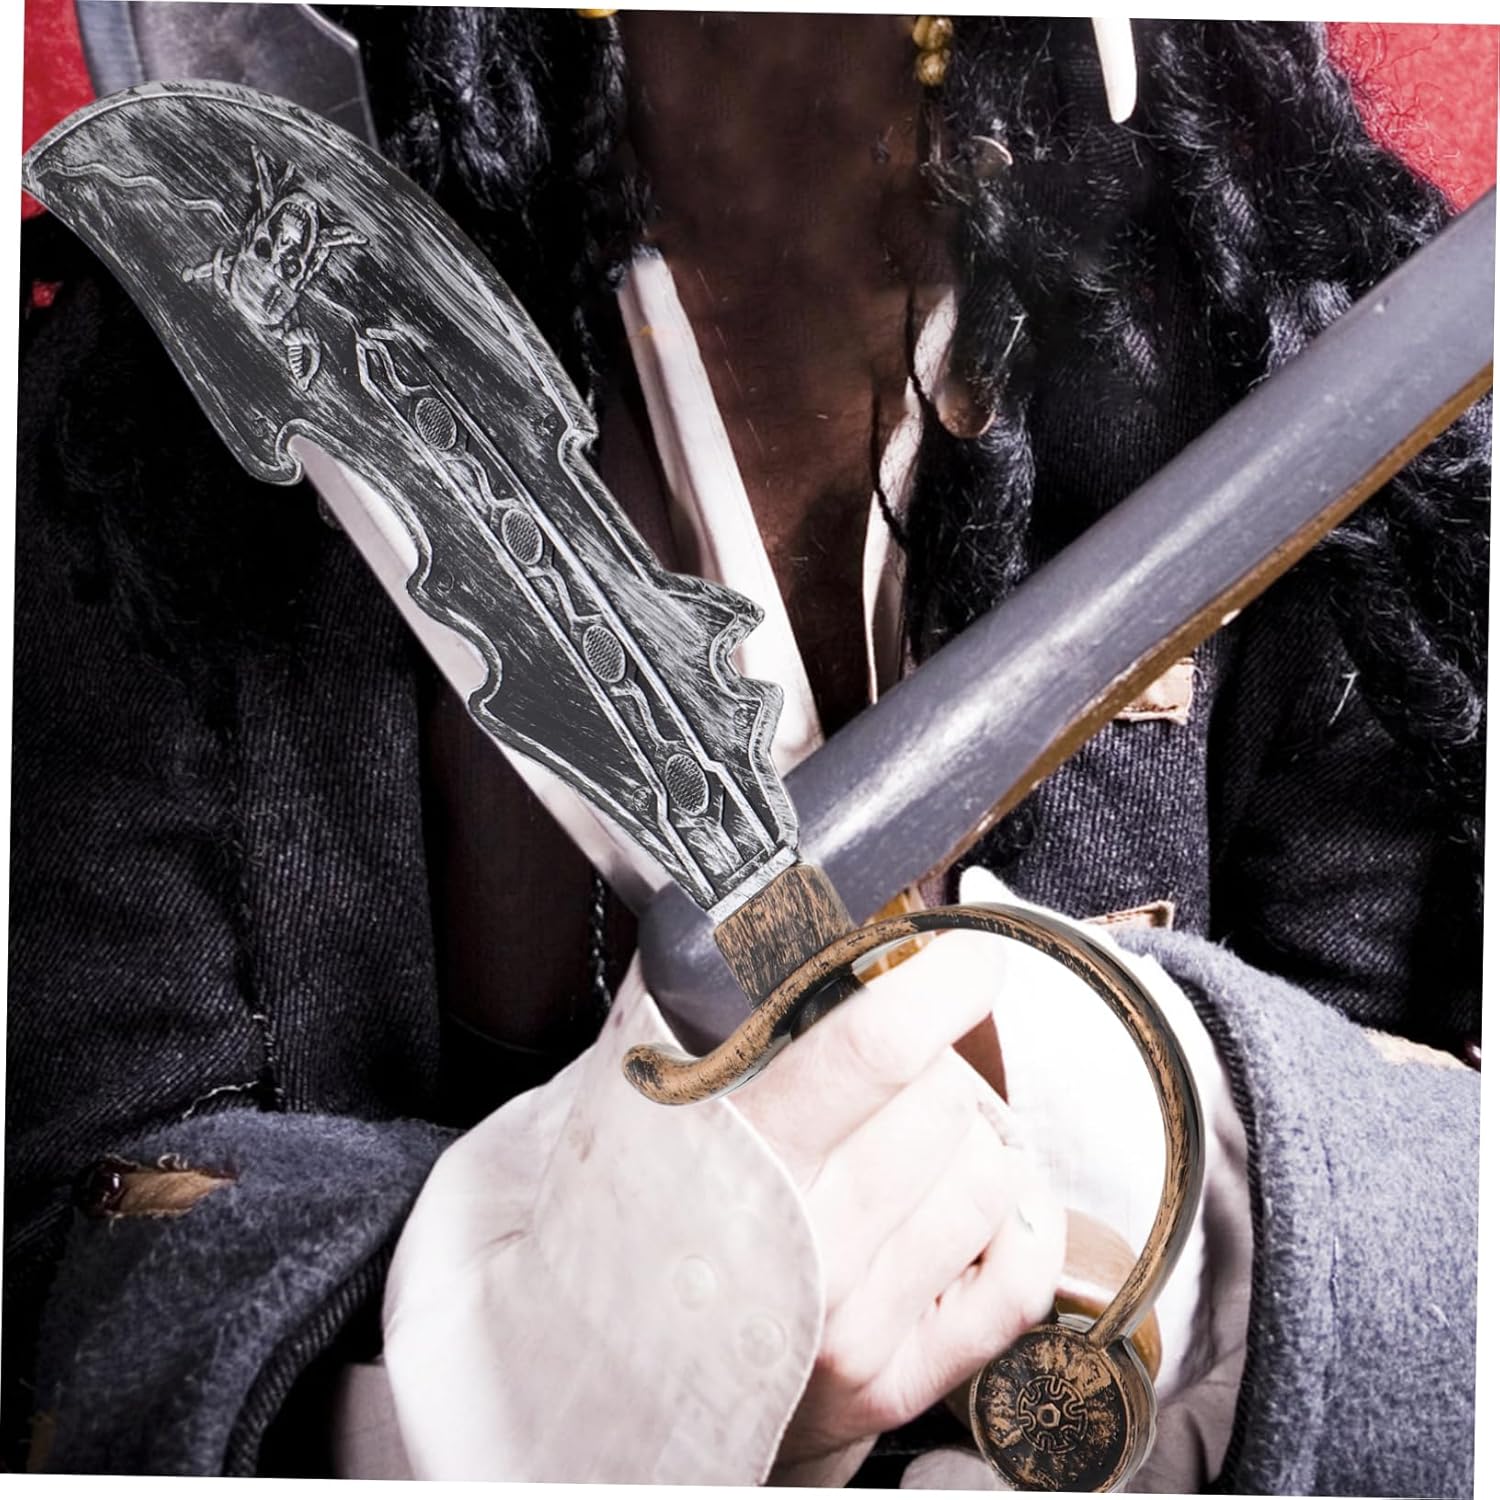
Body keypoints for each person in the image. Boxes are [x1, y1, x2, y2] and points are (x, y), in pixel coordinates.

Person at [6, 9, 1487, 1491]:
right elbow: (62, 1279)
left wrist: (1187, 1146)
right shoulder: (149, 409)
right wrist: (472, 1390)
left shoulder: (1292, 301)